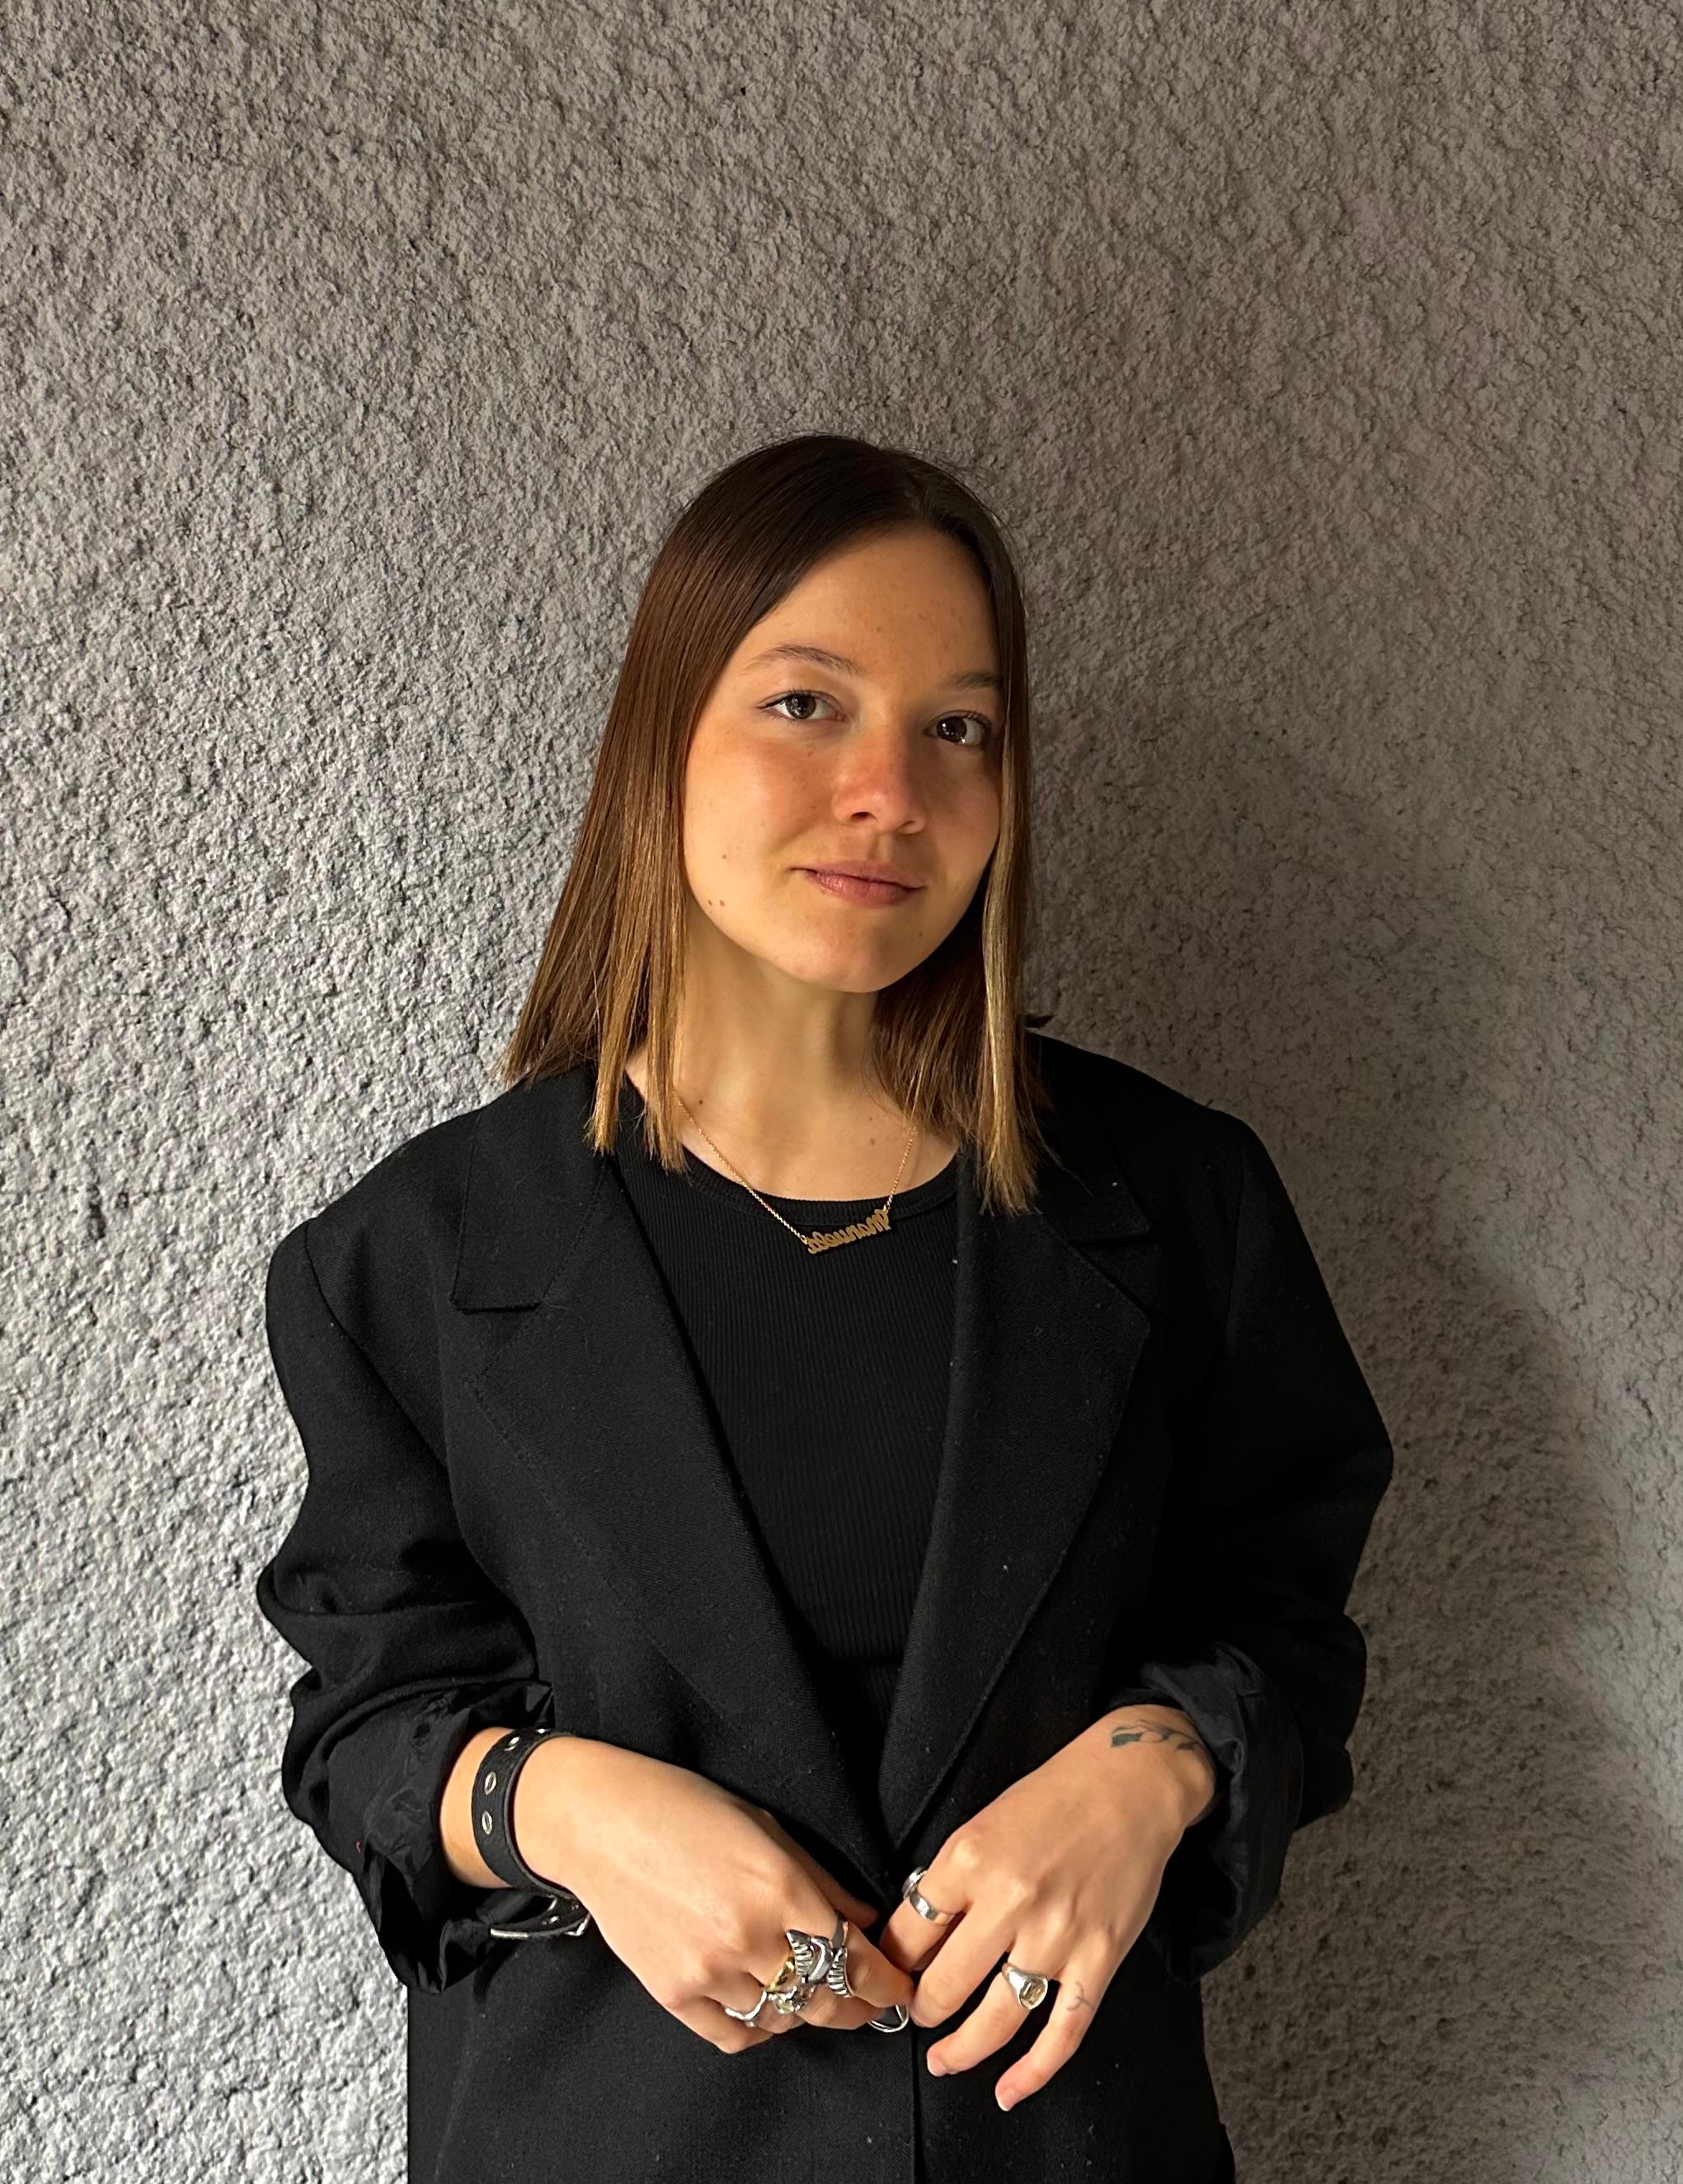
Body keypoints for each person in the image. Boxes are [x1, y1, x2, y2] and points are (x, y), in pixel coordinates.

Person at [254, 432, 1394, 2182]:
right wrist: (564, 1804)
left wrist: (1150, 1767)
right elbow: (364, 1722)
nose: (890, 792)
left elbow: (1286, 1630)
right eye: (806, 704)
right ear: (662, 737)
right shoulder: (414, 1258)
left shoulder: (1178, 1206)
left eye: (960, 729)